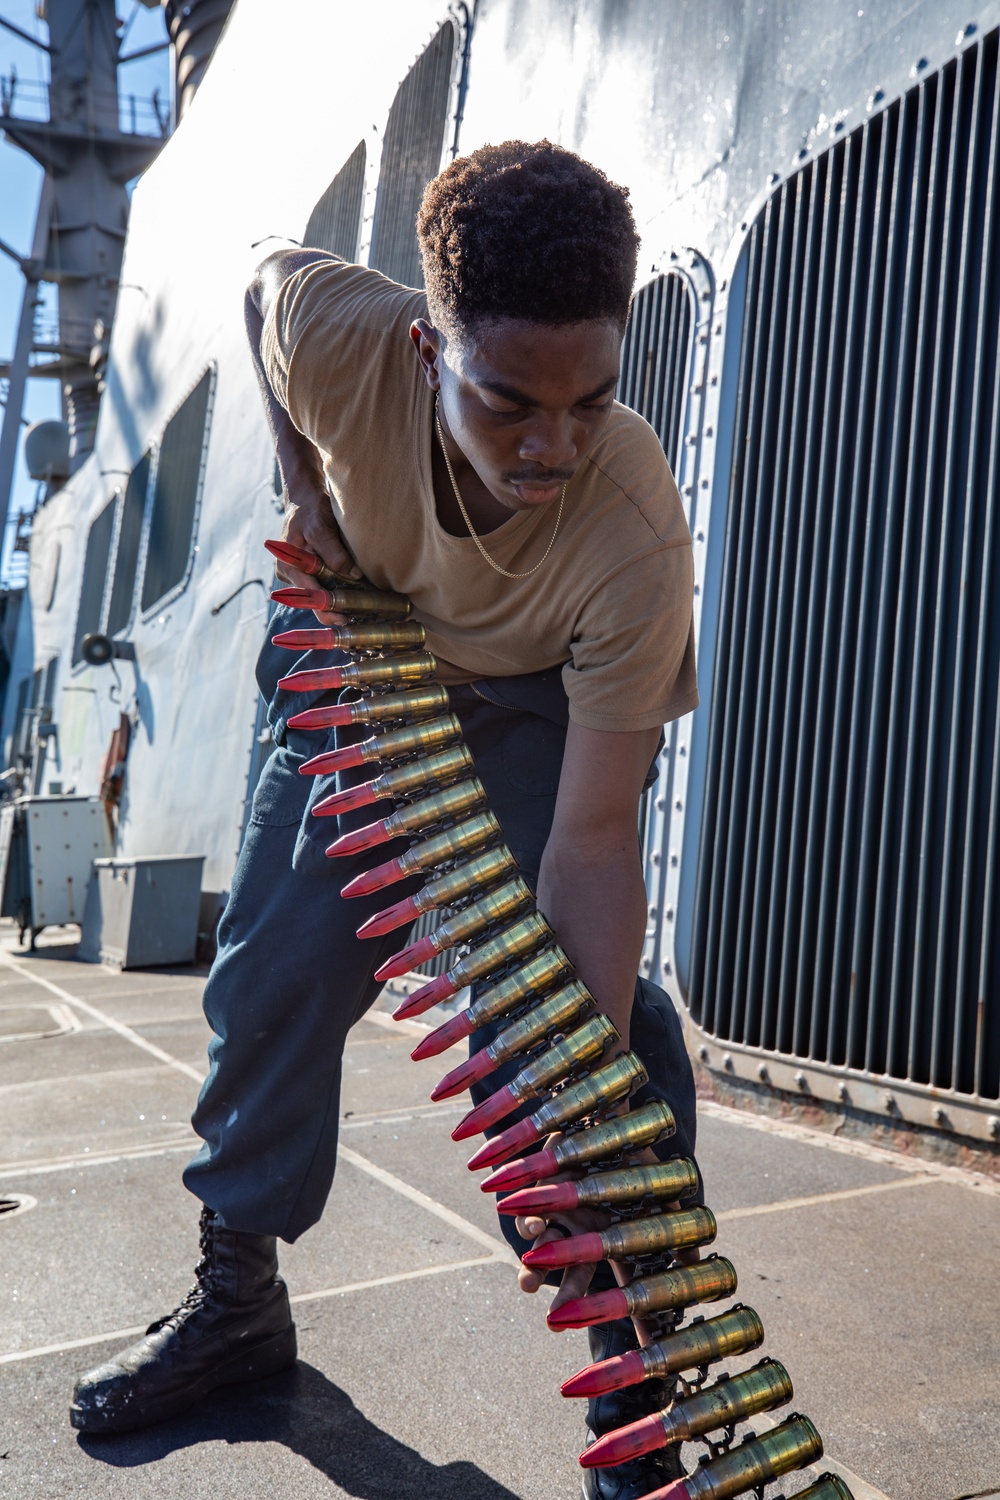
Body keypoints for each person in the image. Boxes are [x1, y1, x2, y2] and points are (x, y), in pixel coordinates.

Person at [70, 140, 702, 1499]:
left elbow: (590, 842)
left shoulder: (633, 529)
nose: (554, 446)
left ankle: (637, 1385)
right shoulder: (346, 339)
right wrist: (304, 487)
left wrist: (575, 1116)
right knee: (272, 980)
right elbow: (257, 291)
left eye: (591, 400)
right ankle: (236, 1297)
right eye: (509, 401)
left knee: (595, 1029)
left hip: (532, 698)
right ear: (429, 349)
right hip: (361, 649)